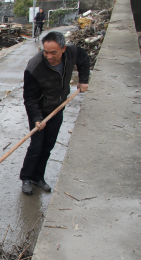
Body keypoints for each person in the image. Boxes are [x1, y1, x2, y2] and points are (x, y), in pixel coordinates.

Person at [20, 31, 89, 195]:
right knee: (36, 145)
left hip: (58, 107)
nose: (49, 56)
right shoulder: (34, 68)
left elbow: (84, 59)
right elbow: (30, 98)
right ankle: (26, 178)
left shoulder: (72, 52)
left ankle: (38, 177)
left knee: (48, 145)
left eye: (53, 52)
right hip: (39, 109)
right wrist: (37, 119)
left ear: (63, 49)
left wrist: (84, 80)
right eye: (45, 52)